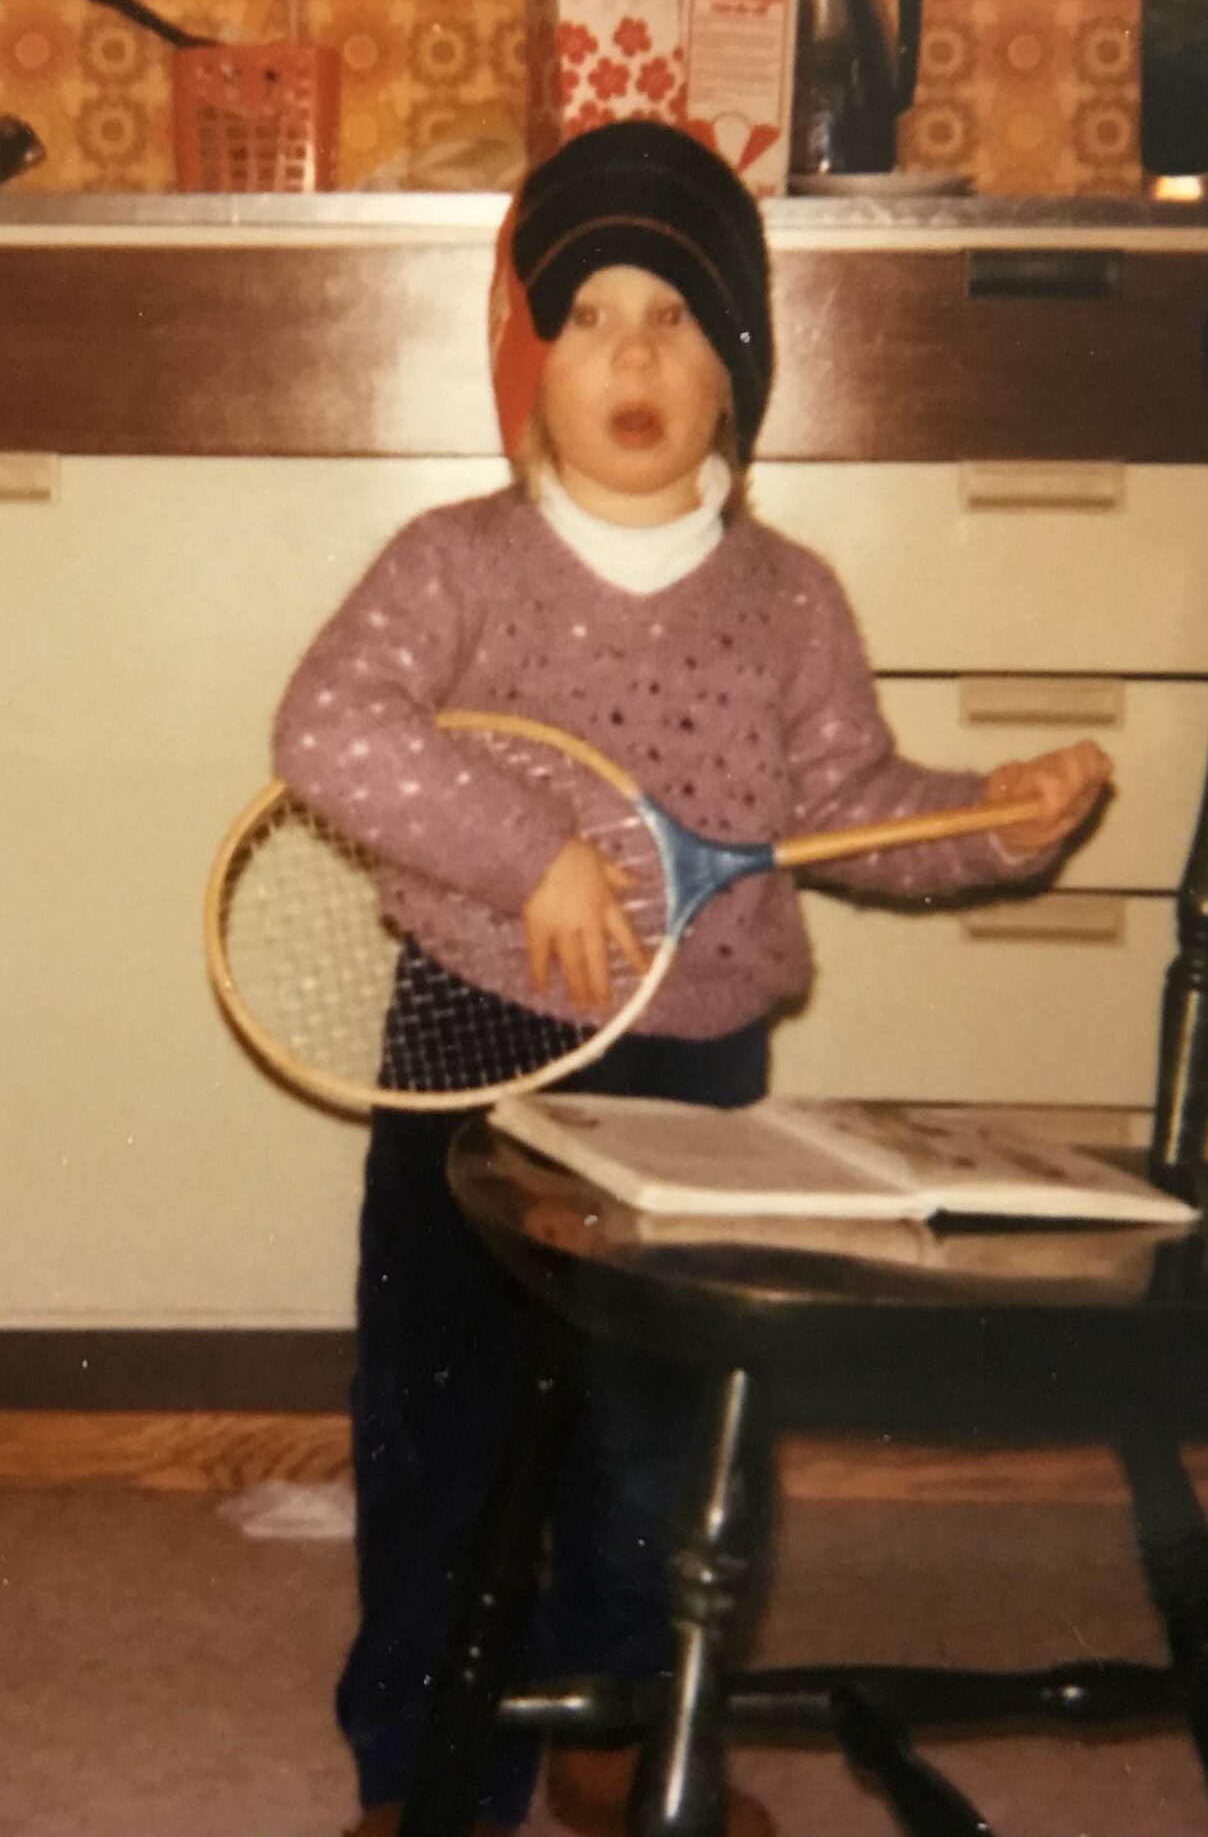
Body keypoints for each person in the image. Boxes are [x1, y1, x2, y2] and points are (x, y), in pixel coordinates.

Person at [270, 121, 1113, 1837]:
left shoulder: (791, 602)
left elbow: (855, 819)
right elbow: (327, 729)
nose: (635, 355)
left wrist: (997, 820)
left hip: (696, 1072)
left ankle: (615, 1736)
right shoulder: (454, 563)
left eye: (677, 320)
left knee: (653, 1456)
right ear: (532, 364)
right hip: (473, 1056)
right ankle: (428, 1773)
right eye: (590, 319)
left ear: (742, 375)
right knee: (452, 1443)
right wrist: (533, 853)